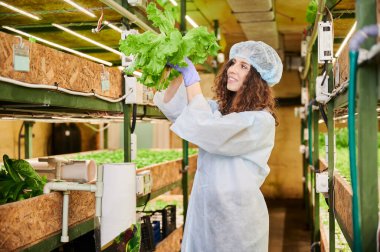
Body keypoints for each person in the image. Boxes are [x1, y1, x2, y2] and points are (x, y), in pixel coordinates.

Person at [153, 41, 283, 252]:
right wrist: (180, 72)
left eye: (243, 66)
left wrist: (192, 76)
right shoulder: (218, 109)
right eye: (233, 63)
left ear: (257, 78)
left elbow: (208, 128)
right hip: (205, 211)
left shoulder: (260, 121)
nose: (232, 69)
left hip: (236, 219)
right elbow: (173, 108)